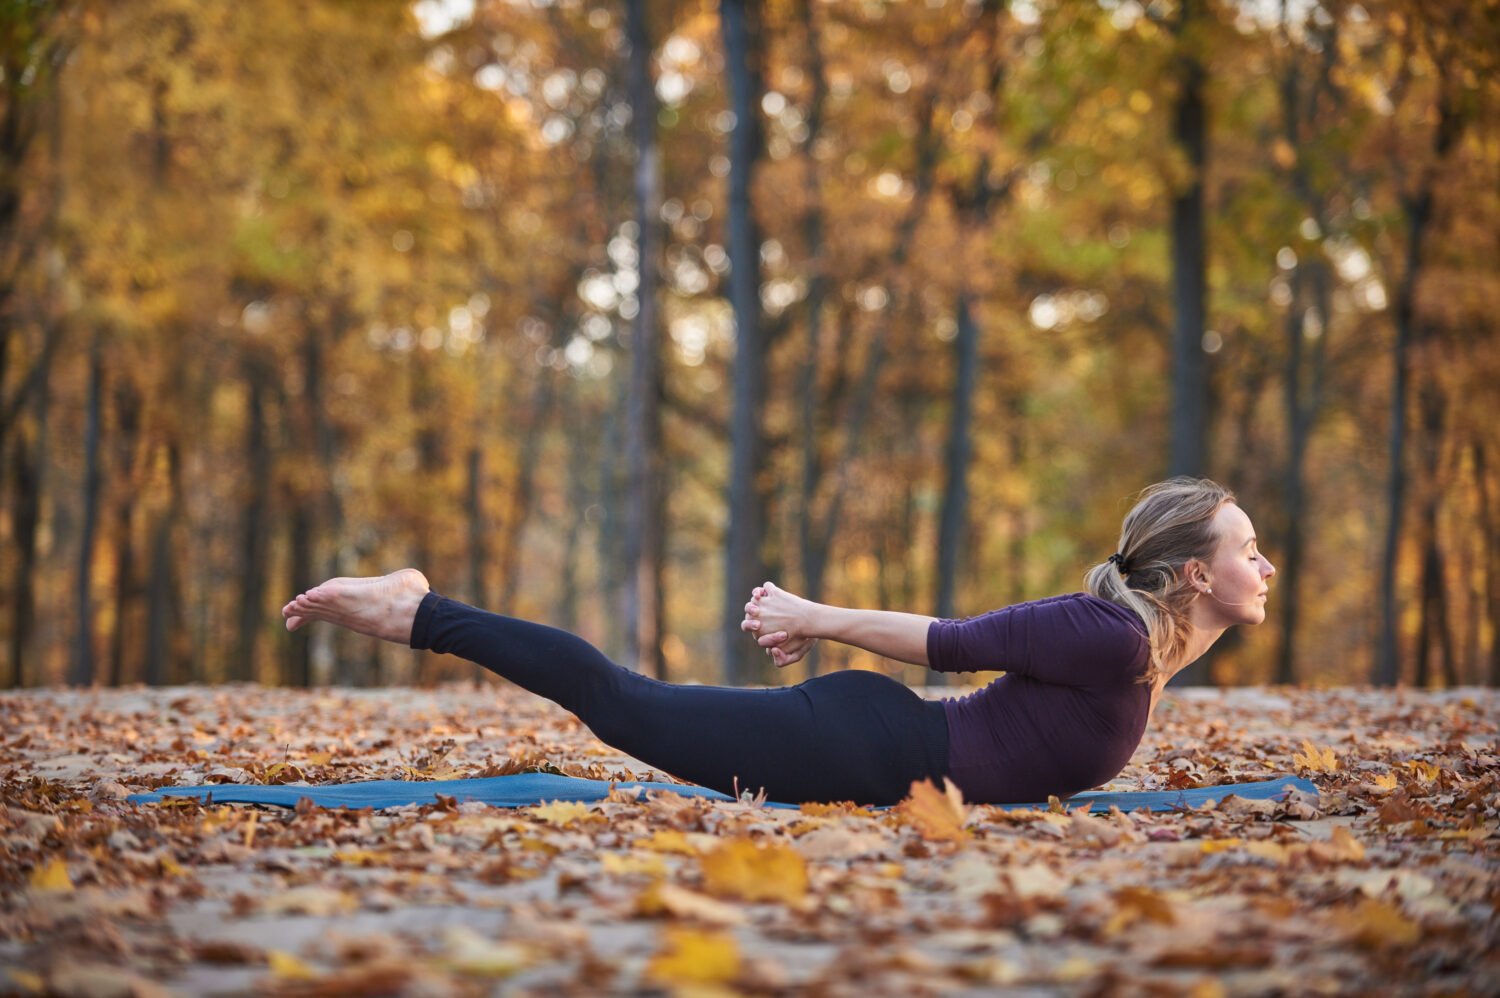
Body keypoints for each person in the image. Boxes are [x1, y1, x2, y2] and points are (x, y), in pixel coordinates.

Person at [281, 477, 1274, 806]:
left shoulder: (1141, 649)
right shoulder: (1105, 633)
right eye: (1248, 547)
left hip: (878, 746)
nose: (1264, 564)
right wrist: (812, 613)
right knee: (622, 700)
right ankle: (419, 609)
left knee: (629, 701)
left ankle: (422, 610)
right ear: (1195, 572)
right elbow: (951, 641)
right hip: (864, 745)